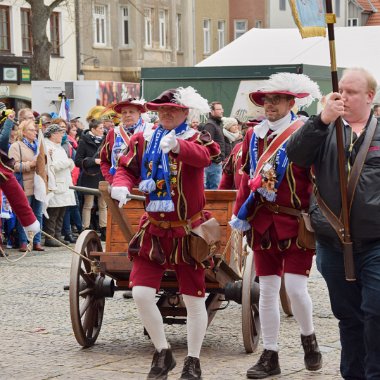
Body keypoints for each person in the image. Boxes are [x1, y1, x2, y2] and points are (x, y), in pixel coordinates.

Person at [110, 87, 220, 380]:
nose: (166, 115)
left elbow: (207, 157)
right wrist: (120, 183)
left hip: (189, 231)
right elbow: (126, 168)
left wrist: (178, 148)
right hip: (155, 230)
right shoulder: (143, 138)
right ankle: (163, 351)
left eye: (173, 110)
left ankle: (193, 360)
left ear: (186, 113)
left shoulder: (198, 137)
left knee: (195, 299)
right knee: (142, 294)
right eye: (161, 110)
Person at [286, 67, 380, 380]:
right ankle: (352, 374)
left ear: (370, 96)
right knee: (347, 315)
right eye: (340, 92)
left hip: (376, 242)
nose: (344, 98)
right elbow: (296, 155)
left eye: (352, 92)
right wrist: (321, 119)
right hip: (332, 242)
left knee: (375, 313)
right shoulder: (323, 128)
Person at [230, 73, 323, 379]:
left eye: (276, 100)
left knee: (296, 289)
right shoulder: (252, 135)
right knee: (267, 290)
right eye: (267, 100)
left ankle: (309, 339)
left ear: (290, 102)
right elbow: (245, 178)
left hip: (295, 222)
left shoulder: (303, 131)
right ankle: (270, 355)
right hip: (261, 220)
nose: (269, 105)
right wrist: (239, 214)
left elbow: (315, 179)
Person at [8, 119, 44, 252]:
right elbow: (13, 166)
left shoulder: (38, 145)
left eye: (35, 130)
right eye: (31, 130)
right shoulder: (16, 146)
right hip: (24, 184)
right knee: (25, 213)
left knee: (38, 214)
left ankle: (37, 241)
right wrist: (31, 164)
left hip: (37, 184)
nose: (35, 132)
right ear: (23, 132)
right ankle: (24, 242)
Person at [100, 98, 152, 184]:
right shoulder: (113, 133)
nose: (127, 115)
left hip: (146, 185)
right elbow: (104, 161)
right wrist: (112, 180)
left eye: (131, 112)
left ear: (139, 113)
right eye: (124, 112)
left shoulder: (151, 130)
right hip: (119, 185)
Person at [43, 124, 76, 247]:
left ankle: (57, 236)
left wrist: (69, 163)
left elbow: (68, 164)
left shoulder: (59, 147)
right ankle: (50, 237)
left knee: (61, 212)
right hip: (56, 184)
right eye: (60, 133)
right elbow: (52, 166)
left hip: (64, 183)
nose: (62, 135)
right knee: (53, 213)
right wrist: (68, 162)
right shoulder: (47, 146)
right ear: (53, 134)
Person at [75, 119, 107, 240]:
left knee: (103, 204)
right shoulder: (83, 141)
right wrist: (94, 161)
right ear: (93, 129)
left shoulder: (105, 141)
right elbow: (77, 161)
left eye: (103, 128)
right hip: (89, 177)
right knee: (88, 204)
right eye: (100, 128)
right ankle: (86, 228)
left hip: (102, 176)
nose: (102, 130)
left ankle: (104, 228)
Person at [203, 101, 225, 189]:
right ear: (212, 112)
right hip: (212, 164)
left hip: (215, 163)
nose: (222, 111)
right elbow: (207, 144)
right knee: (214, 191)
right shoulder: (210, 125)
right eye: (219, 109)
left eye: (221, 109)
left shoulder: (216, 124)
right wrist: (216, 159)